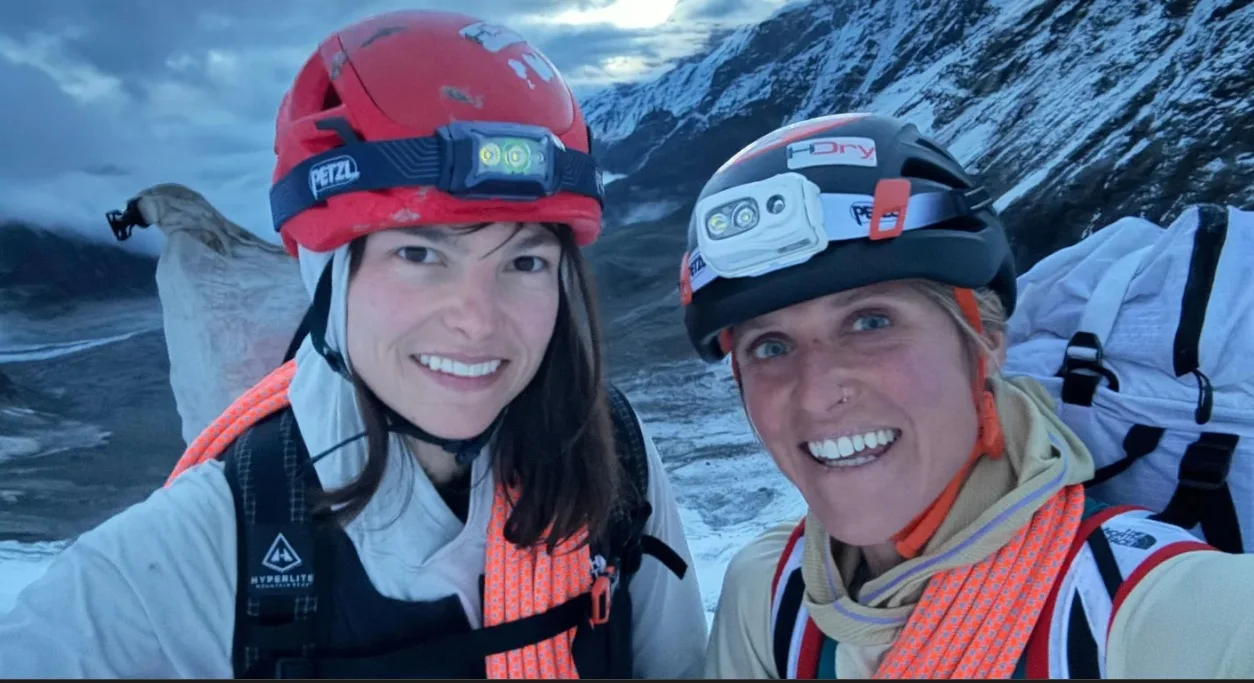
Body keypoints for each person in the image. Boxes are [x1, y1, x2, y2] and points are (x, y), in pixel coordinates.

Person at [0, 10, 707, 679]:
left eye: (524, 262)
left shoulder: (609, 454)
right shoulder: (201, 551)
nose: (477, 319)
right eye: (419, 254)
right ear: (329, 276)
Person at [682, 112, 1254, 678]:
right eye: (770, 347)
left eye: (870, 322)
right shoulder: (767, 597)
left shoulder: (1170, 614)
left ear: (987, 339)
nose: (814, 394)